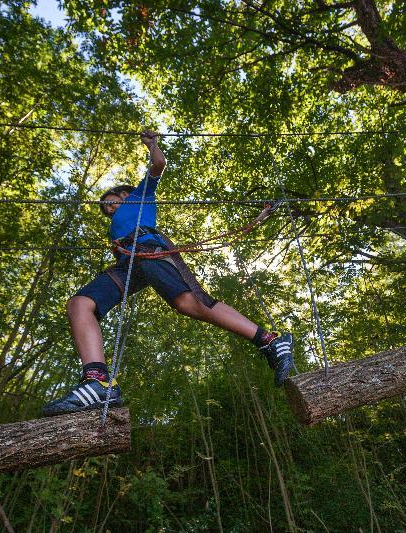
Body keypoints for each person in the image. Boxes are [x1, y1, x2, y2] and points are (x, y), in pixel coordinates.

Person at [42, 130, 294, 416]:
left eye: (111, 201)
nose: (108, 208)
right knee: (80, 304)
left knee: (190, 303)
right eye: (105, 208)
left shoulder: (140, 195)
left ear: (124, 194)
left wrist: (153, 146)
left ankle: (270, 340)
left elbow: (158, 165)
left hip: (149, 249)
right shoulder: (117, 220)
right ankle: (97, 382)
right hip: (128, 261)